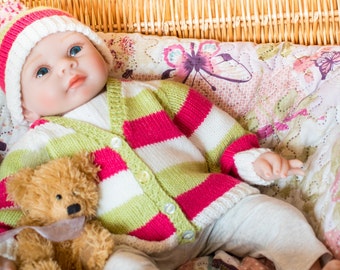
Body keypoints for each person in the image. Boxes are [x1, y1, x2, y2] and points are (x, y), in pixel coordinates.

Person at [0, 6, 339, 270]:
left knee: (275, 217)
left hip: (211, 208)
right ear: (26, 108)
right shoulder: (36, 143)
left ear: (101, 55)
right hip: (126, 240)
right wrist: (10, 251)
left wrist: (249, 159)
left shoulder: (153, 93)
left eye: (74, 49)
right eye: (41, 71)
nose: (65, 67)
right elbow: (12, 205)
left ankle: (312, 262)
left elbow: (213, 129)